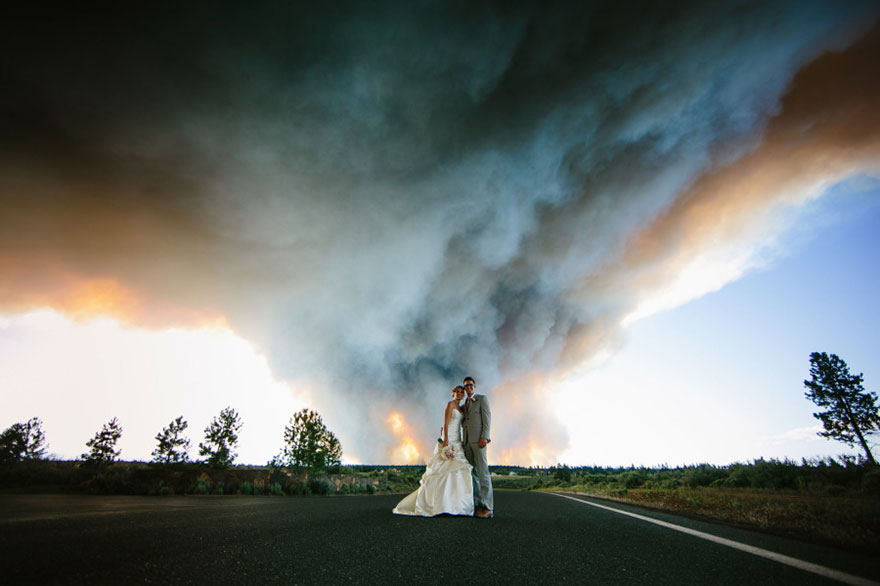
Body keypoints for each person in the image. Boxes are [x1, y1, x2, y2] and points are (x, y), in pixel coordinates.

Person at [392, 386, 474, 517]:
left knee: (458, 470)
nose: (459, 394)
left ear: (463, 395)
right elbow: (446, 423)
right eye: (457, 392)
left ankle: (456, 505)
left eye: (461, 392)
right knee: (442, 469)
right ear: (453, 393)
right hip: (449, 439)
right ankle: (437, 505)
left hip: (458, 439)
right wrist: (446, 439)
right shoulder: (450, 405)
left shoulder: (461, 408)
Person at [462, 376, 493, 518]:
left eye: (470, 385)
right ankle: (477, 505)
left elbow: (487, 419)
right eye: (466, 386)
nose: (468, 388)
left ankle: (488, 507)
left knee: (483, 473)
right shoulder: (465, 404)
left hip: (479, 441)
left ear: (474, 386)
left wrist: (484, 437)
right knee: (472, 475)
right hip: (467, 442)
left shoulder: (481, 399)